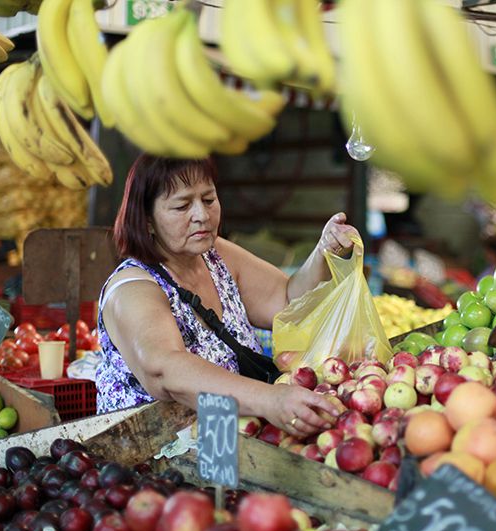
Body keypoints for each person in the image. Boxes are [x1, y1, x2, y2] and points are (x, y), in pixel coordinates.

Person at [96, 155, 357, 438]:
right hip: (154, 458)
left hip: (226, 443)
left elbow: (286, 302)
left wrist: (324, 252)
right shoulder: (131, 288)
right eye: (183, 205)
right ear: (147, 220)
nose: (202, 215)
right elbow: (163, 369)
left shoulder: (216, 255)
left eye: (208, 200)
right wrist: (269, 399)